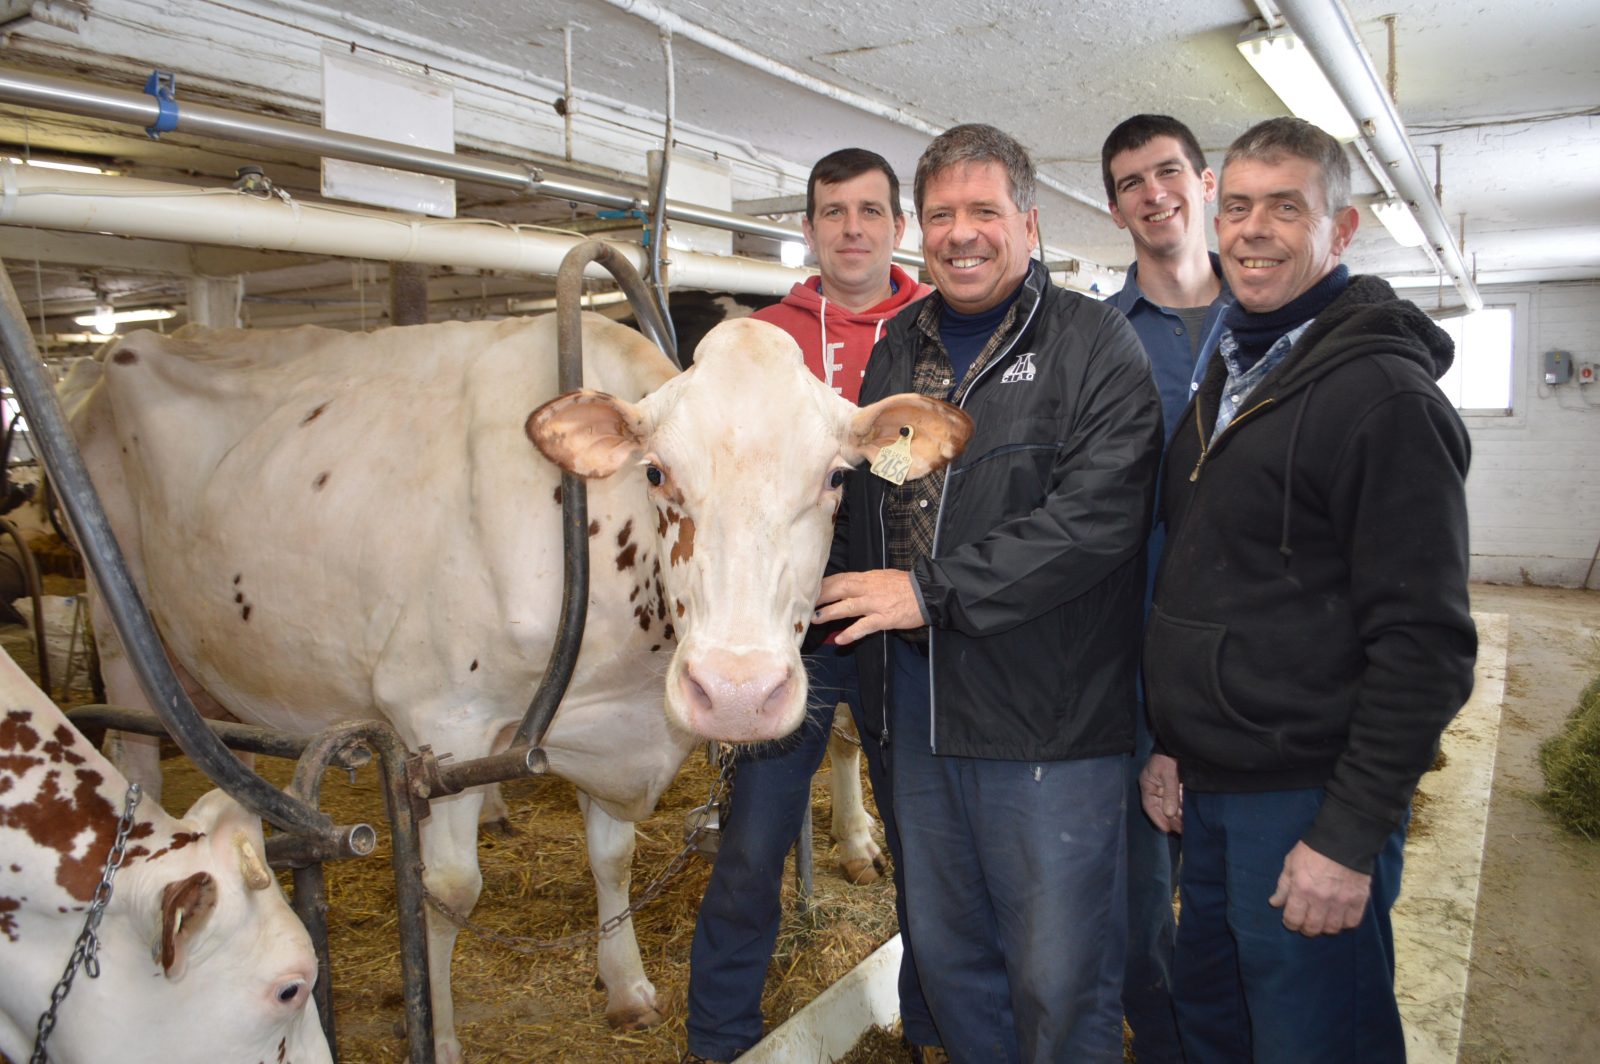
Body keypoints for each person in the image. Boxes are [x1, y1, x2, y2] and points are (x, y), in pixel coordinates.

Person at [816, 123, 1162, 1063]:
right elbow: (874, 504)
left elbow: (1095, 522)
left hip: (1043, 719)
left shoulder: (1095, 345)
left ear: (1030, 222)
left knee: (1057, 972)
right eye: (940, 216)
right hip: (919, 713)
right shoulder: (899, 347)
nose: (961, 233)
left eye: (984, 211)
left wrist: (930, 592)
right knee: (951, 954)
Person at [1138, 116, 1477, 1064]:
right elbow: (1212, 574)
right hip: (1208, 787)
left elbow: (1426, 645)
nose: (1253, 230)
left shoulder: (1384, 400)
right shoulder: (1234, 376)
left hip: (1305, 800)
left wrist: (1350, 835)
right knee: (1215, 1016)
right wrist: (1171, 745)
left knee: (1313, 1038)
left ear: (1342, 228)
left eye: (1286, 208)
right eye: (1237, 206)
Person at [682, 147, 939, 1064]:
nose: (853, 228)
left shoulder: (932, 325)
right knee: (752, 847)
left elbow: (929, 463)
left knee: (925, 844)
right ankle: (717, 1040)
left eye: (872, 211)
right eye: (834, 212)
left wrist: (870, 467)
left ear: (896, 226)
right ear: (809, 228)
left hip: (909, 627)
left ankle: (931, 1027)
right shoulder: (762, 339)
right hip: (794, 633)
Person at [1100, 112, 1234, 1063]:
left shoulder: (1275, 319)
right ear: (1115, 210)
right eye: (1132, 184)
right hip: (1134, 650)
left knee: (1239, 887)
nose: (1155, 193)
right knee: (1138, 892)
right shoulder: (1099, 337)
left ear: (1206, 181)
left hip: (1254, 658)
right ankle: (1164, 1046)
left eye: (1169, 171)